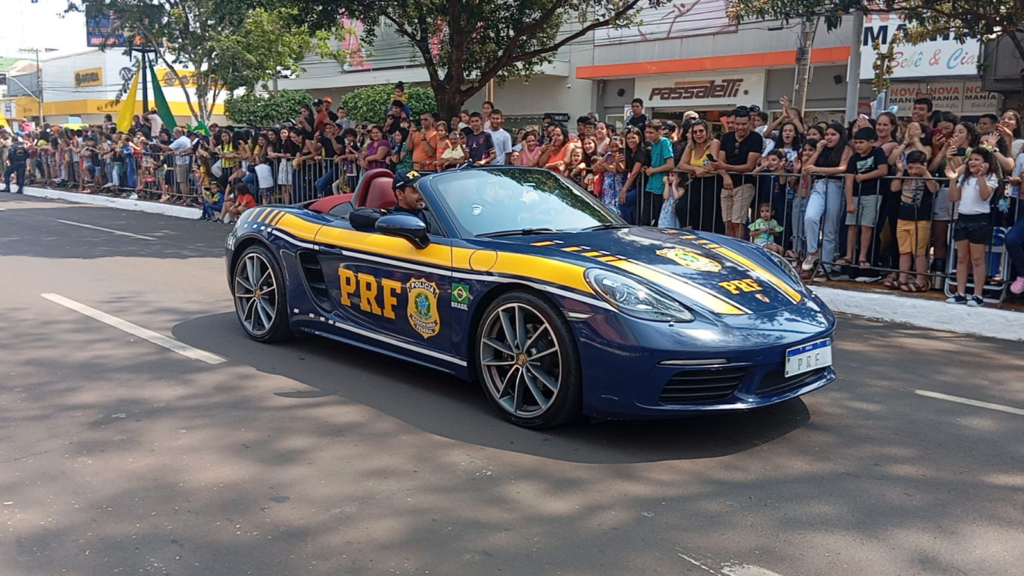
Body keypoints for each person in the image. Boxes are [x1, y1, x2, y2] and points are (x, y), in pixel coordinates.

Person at [944, 148, 999, 307]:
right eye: (971, 159)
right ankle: (960, 292)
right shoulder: (965, 177)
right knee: (961, 258)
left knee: (977, 259)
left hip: (979, 220)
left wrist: (981, 177)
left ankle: (978, 294)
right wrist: (953, 180)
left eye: (977, 159)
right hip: (963, 219)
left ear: (985, 163)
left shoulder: (991, 177)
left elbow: (984, 195)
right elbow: (954, 198)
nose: (973, 162)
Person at [800, 123, 851, 275]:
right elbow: (806, 168)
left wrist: (819, 169)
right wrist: (817, 151)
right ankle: (812, 252)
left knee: (830, 227)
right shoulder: (821, 149)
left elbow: (842, 168)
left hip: (835, 186)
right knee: (810, 216)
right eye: (827, 134)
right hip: (819, 185)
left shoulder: (845, 148)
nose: (829, 137)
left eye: (833, 134)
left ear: (840, 136)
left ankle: (826, 266)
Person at [839, 127, 889, 272]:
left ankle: (862, 256)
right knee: (851, 225)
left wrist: (863, 177)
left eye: (861, 142)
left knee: (867, 226)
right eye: (856, 142)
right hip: (855, 195)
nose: (858, 145)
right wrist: (849, 201)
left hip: (873, 193)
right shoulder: (854, 158)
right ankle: (849, 254)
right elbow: (848, 180)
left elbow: (883, 170)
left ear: (871, 142)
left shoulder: (877, 152)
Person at [888, 150, 939, 292]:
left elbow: (934, 189)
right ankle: (903, 278)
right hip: (903, 217)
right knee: (904, 251)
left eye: (917, 168)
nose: (913, 172)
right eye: (910, 168)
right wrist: (899, 172)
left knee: (919, 252)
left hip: (921, 219)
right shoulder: (904, 175)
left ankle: (921, 280)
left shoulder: (929, 177)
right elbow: (894, 188)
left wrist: (925, 173)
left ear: (924, 165)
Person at [711, 106, 763, 238]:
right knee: (727, 222)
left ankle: (739, 252)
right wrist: (725, 175)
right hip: (726, 185)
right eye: (737, 124)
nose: (740, 127)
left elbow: (749, 166)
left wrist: (725, 167)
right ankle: (729, 250)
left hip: (745, 184)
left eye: (744, 124)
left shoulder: (756, 138)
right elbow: (719, 163)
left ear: (750, 122)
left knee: (737, 222)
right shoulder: (727, 137)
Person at [676, 119, 724, 234]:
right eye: (695, 132)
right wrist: (695, 168)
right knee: (682, 207)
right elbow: (681, 164)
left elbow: (711, 164)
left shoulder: (714, 143)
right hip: (697, 181)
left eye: (701, 131)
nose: (698, 134)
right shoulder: (691, 145)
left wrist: (695, 167)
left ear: (707, 132)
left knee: (707, 215)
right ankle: (689, 234)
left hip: (711, 182)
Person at [641, 121, 676, 226]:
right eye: (647, 132)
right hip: (651, 184)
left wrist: (653, 170)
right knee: (646, 218)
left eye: (651, 132)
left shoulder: (664, 142)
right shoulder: (652, 144)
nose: (648, 135)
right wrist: (647, 168)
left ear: (659, 131)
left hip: (661, 185)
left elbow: (670, 164)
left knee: (657, 217)